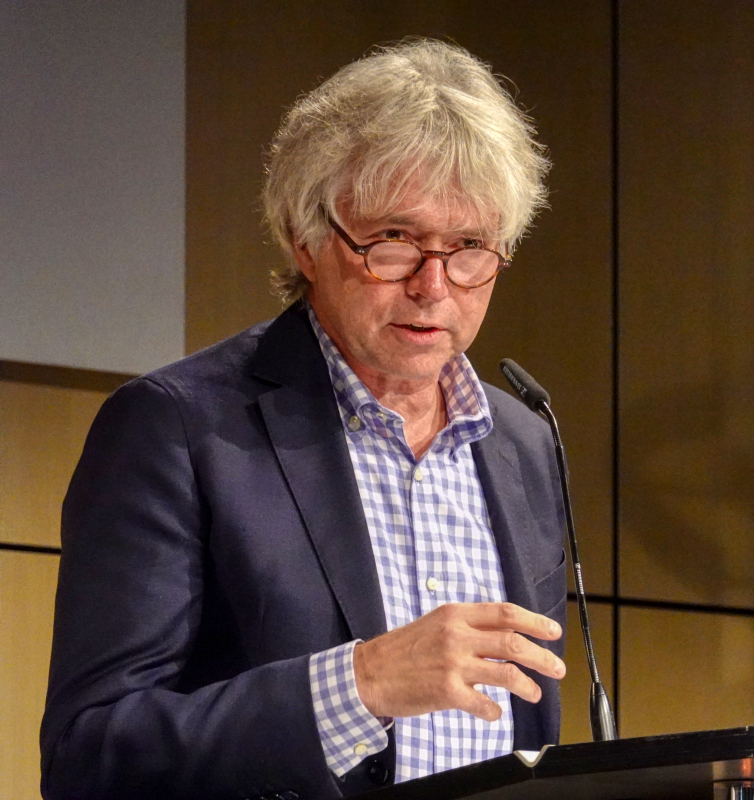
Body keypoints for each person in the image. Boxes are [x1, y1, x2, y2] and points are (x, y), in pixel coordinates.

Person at [41, 39, 566, 800]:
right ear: (306, 238)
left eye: (469, 248)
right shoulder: (175, 430)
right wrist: (360, 685)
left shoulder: (525, 443)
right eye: (393, 241)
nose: (434, 285)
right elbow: (92, 757)